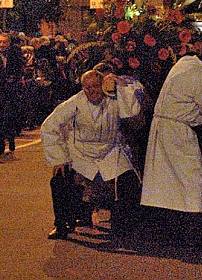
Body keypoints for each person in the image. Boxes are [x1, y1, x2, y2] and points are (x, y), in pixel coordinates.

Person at [140, 36, 202, 238]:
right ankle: (191, 231)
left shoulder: (185, 63)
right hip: (178, 131)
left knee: (169, 181)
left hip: (165, 128)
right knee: (193, 178)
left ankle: (172, 228)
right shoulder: (199, 75)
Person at [41, 69, 144, 240]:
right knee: (59, 179)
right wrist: (59, 158)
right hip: (80, 153)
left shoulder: (114, 99)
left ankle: (125, 225)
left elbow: (131, 111)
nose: (92, 91)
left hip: (110, 151)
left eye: (95, 86)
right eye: (86, 88)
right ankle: (61, 224)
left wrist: (119, 85)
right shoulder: (74, 103)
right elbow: (49, 126)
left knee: (129, 180)